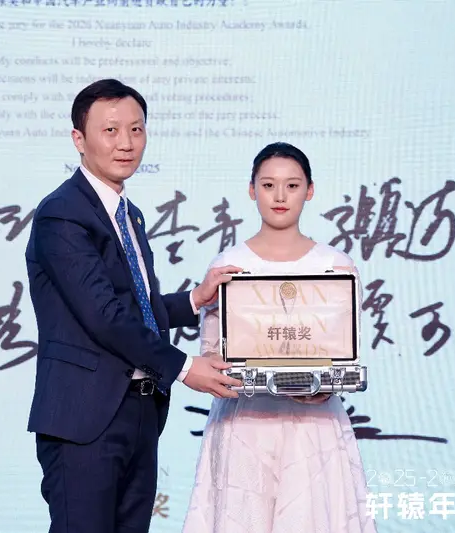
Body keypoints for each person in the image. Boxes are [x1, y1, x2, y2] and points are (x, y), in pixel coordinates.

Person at [25, 78, 243, 533]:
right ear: (79, 139)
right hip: (86, 419)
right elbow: (104, 316)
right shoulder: (62, 213)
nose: (126, 143)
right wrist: (185, 367)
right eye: (110, 130)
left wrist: (193, 300)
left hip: (140, 412)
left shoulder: (129, 213)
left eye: (136, 129)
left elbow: (136, 306)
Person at [181, 142, 377, 533]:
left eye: (292, 185)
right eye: (269, 185)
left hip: (313, 424)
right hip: (245, 425)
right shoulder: (228, 266)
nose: (280, 196)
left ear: (310, 190)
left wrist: (323, 385)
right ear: (252, 190)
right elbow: (212, 353)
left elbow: (343, 352)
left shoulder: (336, 266)